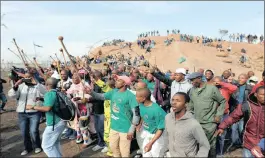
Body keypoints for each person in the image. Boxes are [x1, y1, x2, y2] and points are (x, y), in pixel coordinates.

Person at [85, 75, 140, 157]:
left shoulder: (130, 96)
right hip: (114, 127)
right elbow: (101, 96)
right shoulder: (114, 91)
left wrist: (131, 130)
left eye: (119, 80)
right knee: (113, 147)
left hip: (125, 129)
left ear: (125, 83)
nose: (116, 80)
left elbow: (136, 114)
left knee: (124, 151)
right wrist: (91, 92)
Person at [215, 86, 265, 157]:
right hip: (249, 142)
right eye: (262, 95)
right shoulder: (247, 106)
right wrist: (222, 127)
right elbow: (233, 117)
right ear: (256, 94)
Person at [187, 72, 226, 158]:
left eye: (193, 80)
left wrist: (218, 115)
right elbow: (191, 105)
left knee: (210, 146)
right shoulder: (193, 90)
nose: (192, 82)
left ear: (199, 78)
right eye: (190, 81)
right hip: (196, 122)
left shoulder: (212, 89)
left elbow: (223, 101)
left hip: (209, 123)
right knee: (197, 145)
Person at [26, 77, 66, 157]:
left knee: (46, 146)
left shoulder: (49, 94)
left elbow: (47, 108)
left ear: (47, 85)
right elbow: (54, 102)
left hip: (54, 123)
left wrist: (32, 107)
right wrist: (41, 99)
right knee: (54, 143)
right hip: (61, 121)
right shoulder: (58, 91)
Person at [8, 72, 46, 156]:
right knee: (24, 132)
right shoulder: (21, 86)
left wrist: (36, 83)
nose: (27, 79)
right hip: (22, 113)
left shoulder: (37, 86)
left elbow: (45, 92)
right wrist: (15, 86)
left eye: (29, 77)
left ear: (32, 78)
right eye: (25, 77)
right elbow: (11, 95)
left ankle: (37, 146)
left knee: (33, 131)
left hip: (34, 113)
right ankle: (27, 148)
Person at [165, 92, 210, 157]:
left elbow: (205, 145)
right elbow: (166, 137)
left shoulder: (193, 124)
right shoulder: (168, 118)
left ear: (186, 104)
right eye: (173, 100)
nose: (173, 103)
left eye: (178, 101)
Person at [135, 88, 167, 157]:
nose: (136, 98)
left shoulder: (157, 110)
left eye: (137, 96)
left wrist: (151, 142)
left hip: (158, 137)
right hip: (148, 134)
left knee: (156, 155)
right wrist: (140, 124)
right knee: (146, 154)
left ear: (144, 98)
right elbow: (143, 116)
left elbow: (160, 129)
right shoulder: (141, 105)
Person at [212, 76, 238, 156]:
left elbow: (234, 88)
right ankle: (212, 152)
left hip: (224, 114)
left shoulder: (225, 89)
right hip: (212, 114)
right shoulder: (210, 89)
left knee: (221, 135)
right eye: (215, 81)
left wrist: (222, 83)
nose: (216, 83)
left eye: (218, 81)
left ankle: (220, 153)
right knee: (212, 135)